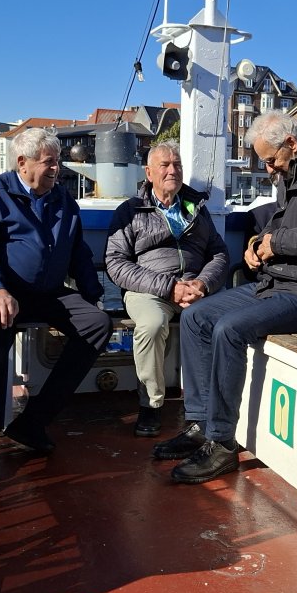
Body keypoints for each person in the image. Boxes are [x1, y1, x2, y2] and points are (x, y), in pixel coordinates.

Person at [156, 110, 297, 484]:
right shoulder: (294, 173)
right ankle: (201, 423)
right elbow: (277, 224)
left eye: (271, 160)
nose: (270, 168)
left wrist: (277, 243)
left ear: (291, 143)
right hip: (280, 283)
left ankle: (222, 443)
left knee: (229, 329)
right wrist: (257, 244)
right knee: (196, 317)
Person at [0, 127, 112, 480]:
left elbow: (78, 253)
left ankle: (32, 422)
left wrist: (92, 298)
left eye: (57, 162)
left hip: (45, 293)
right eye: (49, 162)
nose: (57, 169)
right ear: (22, 162)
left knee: (97, 325)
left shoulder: (63, 200)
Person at [105, 141, 229, 437]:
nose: (173, 170)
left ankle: (210, 405)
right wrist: (169, 287)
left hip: (195, 288)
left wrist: (202, 283)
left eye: (177, 165)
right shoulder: (130, 211)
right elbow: (115, 263)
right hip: (149, 289)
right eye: (165, 165)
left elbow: (219, 254)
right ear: (149, 173)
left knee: (228, 324)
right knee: (152, 325)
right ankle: (151, 404)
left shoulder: (196, 208)